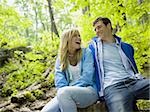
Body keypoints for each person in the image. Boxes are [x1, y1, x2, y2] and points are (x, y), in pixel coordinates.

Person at [89, 17, 150, 112]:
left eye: (99, 27)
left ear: (108, 26)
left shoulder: (126, 47)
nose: (97, 31)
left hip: (134, 82)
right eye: (95, 29)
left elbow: (133, 67)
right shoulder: (93, 49)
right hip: (113, 87)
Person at [41, 28, 98, 112]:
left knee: (64, 93)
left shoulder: (86, 53)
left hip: (88, 90)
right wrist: (66, 91)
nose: (79, 38)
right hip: (65, 93)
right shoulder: (61, 59)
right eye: (75, 36)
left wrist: (70, 90)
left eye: (79, 35)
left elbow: (88, 76)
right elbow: (59, 81)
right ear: (67, 39)